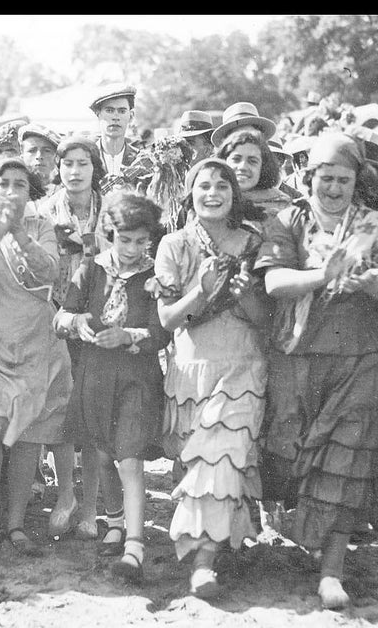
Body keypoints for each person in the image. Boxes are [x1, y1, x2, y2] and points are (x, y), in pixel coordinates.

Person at [254, 134, 378, 609]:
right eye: (325, 178)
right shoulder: (289, 220)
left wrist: (372, 282)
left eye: (343, 180)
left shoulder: (372, 222)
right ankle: (304, 538)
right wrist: (325, 275)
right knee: (298, 450)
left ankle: (332, 570)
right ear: (309, 177)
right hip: (300, 351)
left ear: (355, 181)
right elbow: (274, 282)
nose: (333, 188)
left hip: (361, 351)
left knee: (347, 455)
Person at [153, 158, 268, 598]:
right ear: (190, 194)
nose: (213, 193)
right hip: (191, 371)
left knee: (221, 457)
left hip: (242, 367)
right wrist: (200, 291)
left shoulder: (253, 243)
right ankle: (221, 546)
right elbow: (167, 319)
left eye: (223, 185)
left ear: (234, 194)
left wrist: (246, 297)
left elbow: (265, 318)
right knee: (205, 467)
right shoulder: (174, 245)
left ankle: (202, 565)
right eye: (204, 185)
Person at [53, 192, 170, 582]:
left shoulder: (154, 277)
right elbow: (62, 317)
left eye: (141, 241)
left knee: (129, 457)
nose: (132, 249)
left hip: (137, 377)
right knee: (103, 454)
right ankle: (115, 521)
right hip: (96, 374)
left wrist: (127, 335)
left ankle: (135, 547)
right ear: (110, 234)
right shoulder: (92, 269)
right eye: (125, 239)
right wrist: (76, 323)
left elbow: (161, 334)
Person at [0, 157, 71, 556]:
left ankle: (16, 522)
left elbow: (50, 272)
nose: (10, 191)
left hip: (38, 346)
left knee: (27, 437)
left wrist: (19, 234)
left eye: (20, 184)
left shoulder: (42, 227)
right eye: (3, 183)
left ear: (30, 192)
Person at [36, 136, 112, 541]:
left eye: (83, 163)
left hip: (101, 315)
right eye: (68, 164)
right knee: (62, 409)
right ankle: (65, 494)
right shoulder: (43, 210)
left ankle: (91, 506)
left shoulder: (111, 209)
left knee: (94, 413)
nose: (75, 171)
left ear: (94, 168)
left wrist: (95, 246)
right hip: (57, 316)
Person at [215, 130, 290, 221]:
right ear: (223, 162)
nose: (243, 167)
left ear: (263, 167)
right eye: (236, 159)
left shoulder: (284, 208)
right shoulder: (209, 200)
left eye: (252, 161)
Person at [90, 85, 141, 181]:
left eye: (122, 111)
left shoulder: (140, 159)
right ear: (98, 114)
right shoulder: (87, 157)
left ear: (131, 116)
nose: (115, 117)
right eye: (109, 110)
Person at [19, 123, 61, 189]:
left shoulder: (67, 192)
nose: (39, 156)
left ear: (57, 158)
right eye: (32, 150)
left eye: (47, 150)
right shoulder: (13, 190)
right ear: (22, 156)